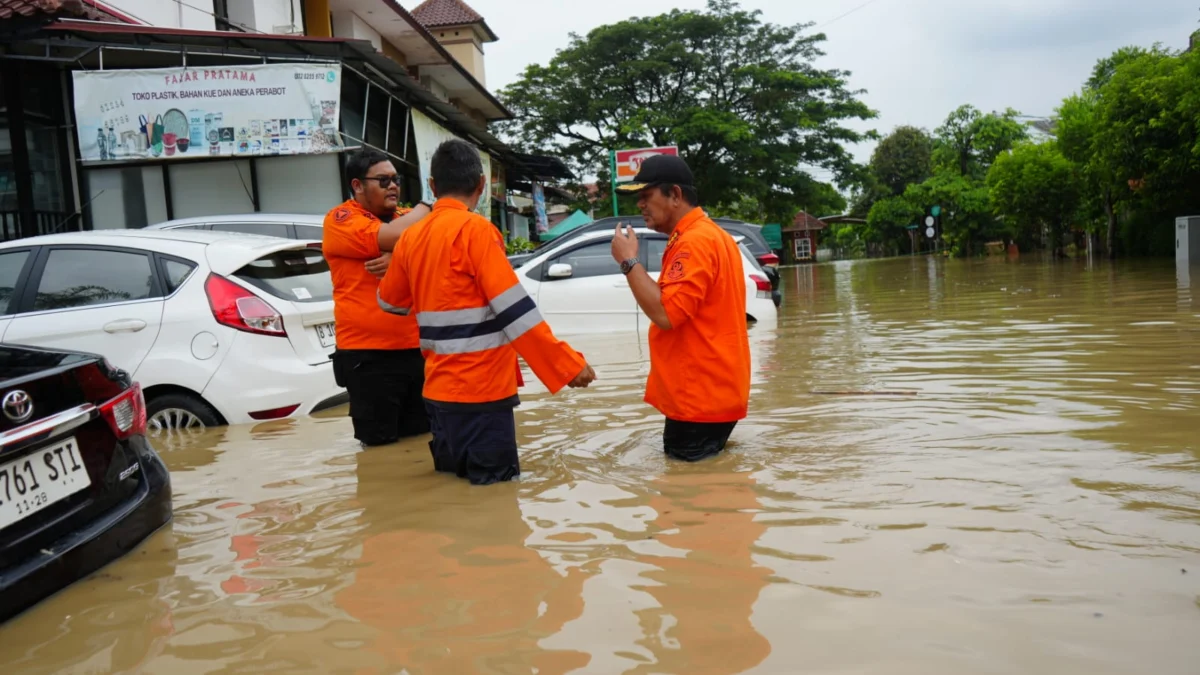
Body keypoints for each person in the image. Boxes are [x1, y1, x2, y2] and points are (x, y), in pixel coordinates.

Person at [377, 139, 596, 485]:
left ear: (433, 187)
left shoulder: (411, 238)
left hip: (437, 397)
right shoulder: (477, 232)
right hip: (482, 395)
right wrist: (566, 365)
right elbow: (515, 312)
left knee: (456, 499)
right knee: (496, 503)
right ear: (481, 185)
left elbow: (390, 302)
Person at [610, 154, 751, 462]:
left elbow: (665, 315)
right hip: (715, 393)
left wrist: (628, 261)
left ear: (674, 194)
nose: (640, 205)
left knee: (686, 500)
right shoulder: (713, 235)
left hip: (698, 399)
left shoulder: (694, 242)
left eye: (646, 196)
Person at [322, 148, 433, 447]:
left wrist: (397, 258)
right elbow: (393, 236)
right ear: (357, 186)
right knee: (378, 451)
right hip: (368, 357)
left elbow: (440, 242)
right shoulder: (341, 219)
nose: (394, 186)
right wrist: (430, 204)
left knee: (424, 444)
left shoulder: (405, 218)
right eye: (383, 181)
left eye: (395, 179)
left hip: (418, 350)